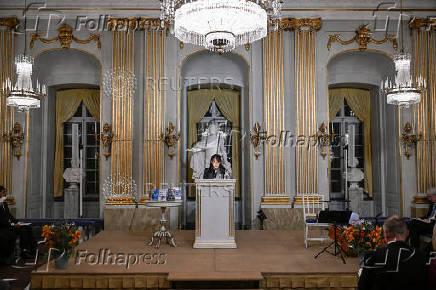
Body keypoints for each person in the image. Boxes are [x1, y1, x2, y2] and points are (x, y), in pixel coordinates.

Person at [358, 215, 427, 290]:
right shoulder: (421, 256)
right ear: (407, 233)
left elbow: (362, 287)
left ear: (385, 234)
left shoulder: (373, 256)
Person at [0, 186, 36, 261]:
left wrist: (18, 222)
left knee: (27, 227)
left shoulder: (4, 204)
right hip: (3, 227)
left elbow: (9, 216)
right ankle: (23, 252)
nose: (5, 194)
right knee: (22, 230)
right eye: (3, 192)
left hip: (9, 225)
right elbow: (1, 221)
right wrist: (13, 225)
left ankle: (33, 250)